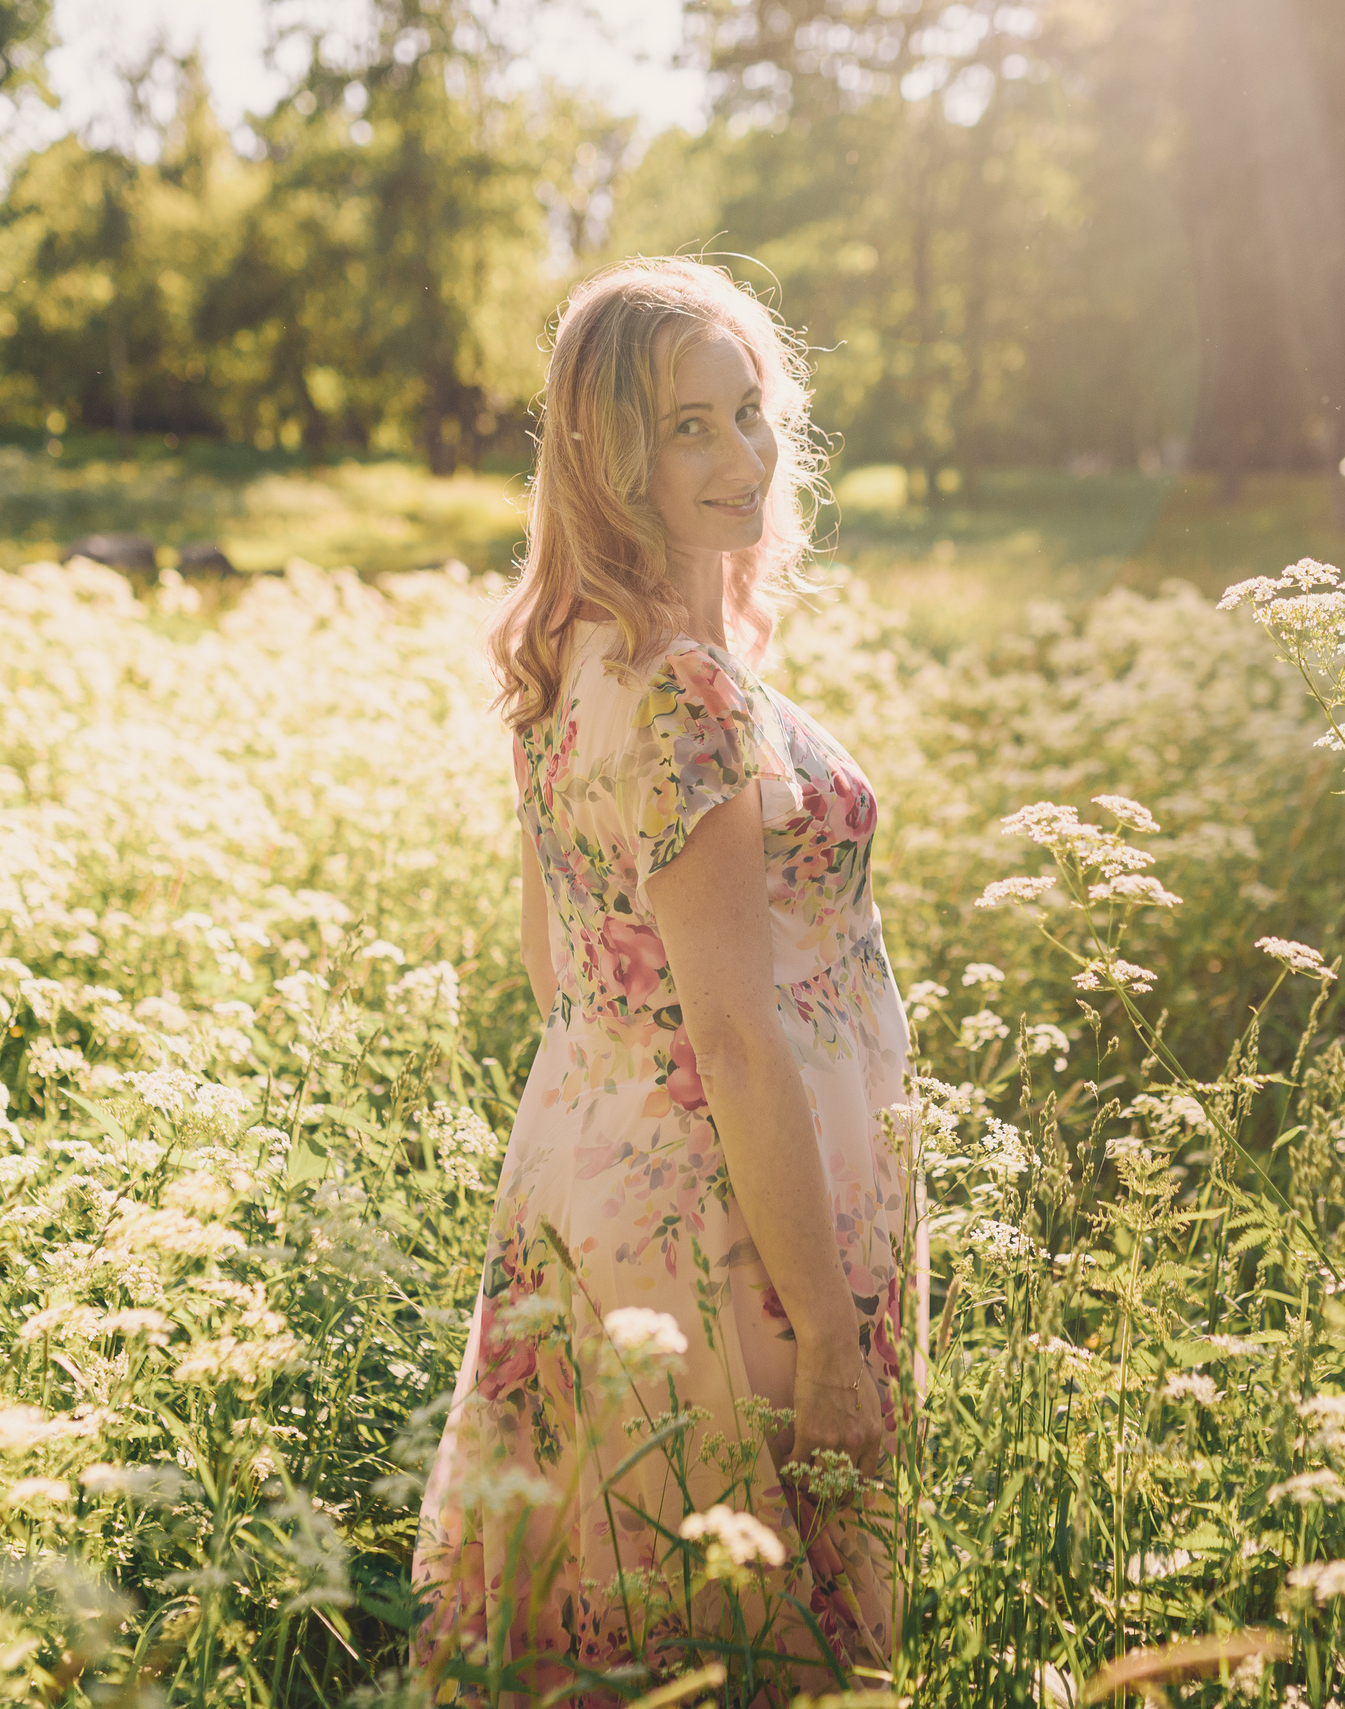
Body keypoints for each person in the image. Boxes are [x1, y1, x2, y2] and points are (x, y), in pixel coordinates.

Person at [411, 257, 914, 1702]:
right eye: (689, 427)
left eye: (751, 412)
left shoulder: (569, 652)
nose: (742, 454)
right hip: (729, 1227)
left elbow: (553, 962)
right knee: (737, 1631)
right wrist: (823, 1331)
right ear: (608, 456)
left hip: (590, 1177)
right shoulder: (686, 689)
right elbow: (739, 1040)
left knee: (602, 1607)